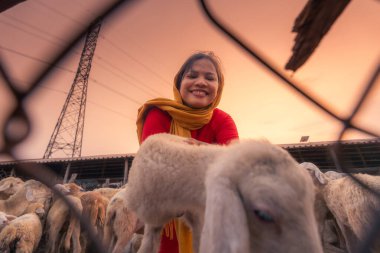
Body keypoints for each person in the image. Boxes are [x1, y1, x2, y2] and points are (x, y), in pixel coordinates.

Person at [136, 51, 239, 253]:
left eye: (210, 78)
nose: (200, 82)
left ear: (218, 88)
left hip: (212, 229)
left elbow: (234, 167)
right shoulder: (159, 114)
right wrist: (211, 156)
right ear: (179, 83)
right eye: (192, 76)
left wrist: (184, 157)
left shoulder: (223, 120)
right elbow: (153, 168)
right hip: (166, 231)